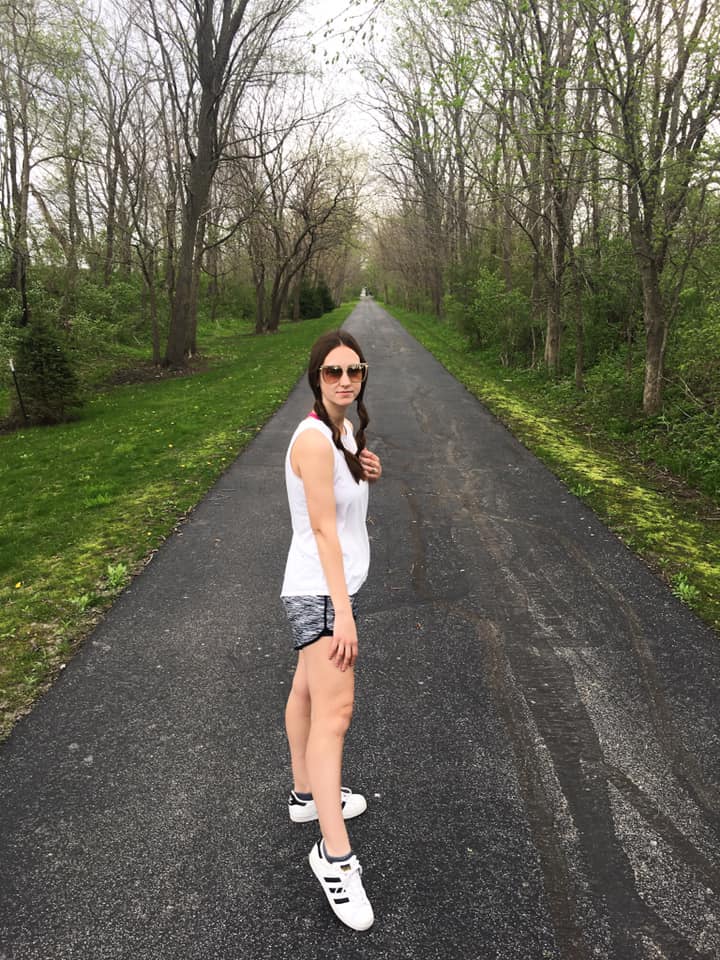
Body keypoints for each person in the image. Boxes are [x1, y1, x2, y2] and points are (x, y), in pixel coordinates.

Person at [281, 329, 382, 932]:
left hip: (321, 589)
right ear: (316, 377)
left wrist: (368, 467)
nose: (344, 379)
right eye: (332, 372)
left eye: (353, 370)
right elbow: (321, 532)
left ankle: (303, 796)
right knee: (335, 714)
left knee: (305, 693)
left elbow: (342, 507)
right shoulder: (315, 440)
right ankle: (333, 855)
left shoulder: (343, 430)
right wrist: (342, 614)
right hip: (319, 593)